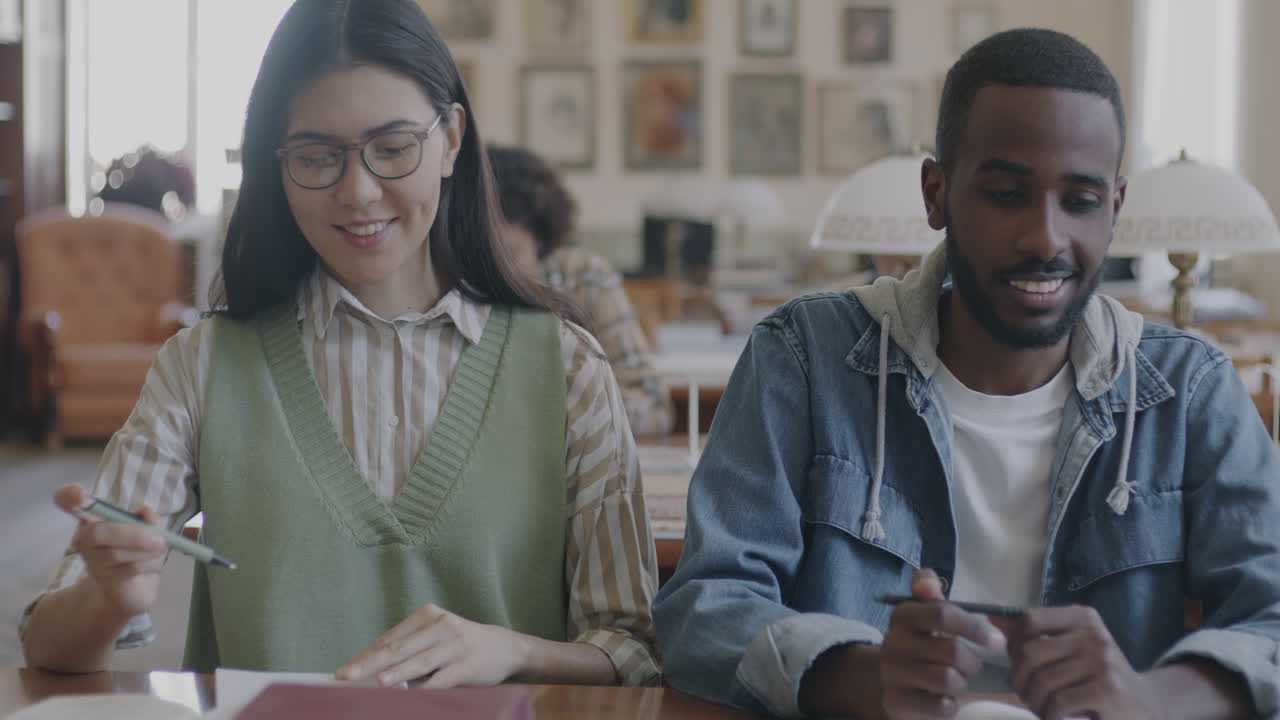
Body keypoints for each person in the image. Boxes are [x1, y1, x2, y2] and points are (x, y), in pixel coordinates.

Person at [21, 0, 659, 688]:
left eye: (392, 148)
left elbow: (632, 653)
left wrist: (515, 651)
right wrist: (109, 597)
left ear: (450, 139)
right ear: (277, 164)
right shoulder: (203, 365)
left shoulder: (565, 369)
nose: (357, 193)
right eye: (316, 157)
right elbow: (46, 646)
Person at [653, 28, 1279, 719]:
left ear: (1116, 208)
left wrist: (1153, 697)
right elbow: (701, 610)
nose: (1045, 237)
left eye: (1081, 200)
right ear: (936, 193)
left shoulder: (1189, 390)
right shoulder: (804, 356)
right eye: (1007, 194)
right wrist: (859, 675)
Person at [486, 144, 673, 437]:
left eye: (511, 253)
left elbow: (653, 407)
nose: (496, 272)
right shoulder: (451, 289)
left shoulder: (586, 278)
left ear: (541, 240)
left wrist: (561, 417)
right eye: (483, 254)